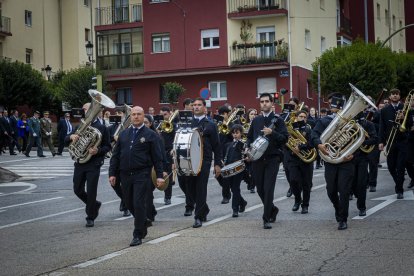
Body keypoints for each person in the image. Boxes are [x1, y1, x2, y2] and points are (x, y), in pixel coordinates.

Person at [109, 106, 165, 246]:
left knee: (138, 203)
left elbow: (157, 158)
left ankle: (137, 234)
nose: (135, 117)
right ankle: (143, 222)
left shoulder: (151, 135)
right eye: (133, 114)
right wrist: (112, 173)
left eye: (139, 114)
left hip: (142, 174)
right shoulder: (123, 134)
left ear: (143, 116)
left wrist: (159, 175)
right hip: (125, 174)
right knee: (128, 202)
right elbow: (115, 156)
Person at [311, 93, 354, 230]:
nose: (335, 107)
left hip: (346, 161)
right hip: (331, 160)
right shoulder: (324, 121)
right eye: (333, 105)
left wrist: (351, 153)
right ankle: (338, 208)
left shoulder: (351, 120)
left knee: (344, 190)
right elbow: (314, 135)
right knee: (331, 190)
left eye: (337, 105)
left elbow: (357, 139)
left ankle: (343, 219)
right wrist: (319, 145)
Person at [246, 93, 289, 229]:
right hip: (257, 159)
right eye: (262, 101)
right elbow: (249, 137)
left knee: (268, 188)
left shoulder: (278, 120)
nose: (264, 104)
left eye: (267, 101)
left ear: (272, 104)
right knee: (260, 189)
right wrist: (247, 147)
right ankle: (272, 209)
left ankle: (266, 219)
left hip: (272, 158)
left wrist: (272, 133)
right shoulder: (256, 120)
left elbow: (285, 138)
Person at [66, 103, 111, 227]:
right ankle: (94, 204)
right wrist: (71, 137)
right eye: (85, 109)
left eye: (87, 109)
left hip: (93, 163)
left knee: (91, 191)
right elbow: (65, 140)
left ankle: (90, 216)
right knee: (77, 190)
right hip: (80, 162)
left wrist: (98, 151)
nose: (85, 111)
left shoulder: (102, 127)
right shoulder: (80, 125)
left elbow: (108, 146)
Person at [184, 97, 222, 228]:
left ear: (204, 107)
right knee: (190, 189)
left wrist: (217, 164)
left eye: (199, 105)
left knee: (201, 188)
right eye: (194, 105)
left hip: (204, 161)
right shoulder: (187, 123)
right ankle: (204, 209)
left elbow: (217, 146)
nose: (196, 107)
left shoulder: (210, 124)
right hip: (188, 161)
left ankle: (198, 216)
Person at [378, 89, 412, 198]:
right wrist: (381, 142)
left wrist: (403, 119)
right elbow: (382, 127)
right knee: (391, 166)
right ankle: (399, 181)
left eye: (397, 94)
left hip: (403, 141)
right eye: (393, 94)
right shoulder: (384, 110)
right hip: (390, 141)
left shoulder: (406, 108)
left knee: (401, 166)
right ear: (390, 96)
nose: (395, 96)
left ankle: (399, 190)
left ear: (399, 96)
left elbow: (410, 124)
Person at [286, 110, 314, 214]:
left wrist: (300, 146)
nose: (302, 118)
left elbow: (312, 143)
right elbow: (286, 142)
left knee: (307, 184)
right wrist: (293, 148)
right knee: (293, 180)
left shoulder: (309, 129)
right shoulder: (291, 129)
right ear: (296, 117)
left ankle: (305, 205)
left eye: (304, 117)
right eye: (300, 116)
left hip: (306, 159)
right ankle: (298, 199)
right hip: (293, 159)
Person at [351, 112, 377, 216]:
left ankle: (362, 207)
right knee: (351, 183)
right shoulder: (347, 124)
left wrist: (362, 142)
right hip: (349, 157)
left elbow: (374, 139)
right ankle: (356, 194)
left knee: (361, 183)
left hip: (362, 157)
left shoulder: (368, 124)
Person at [107, 107, 130, 217]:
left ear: (124, 115)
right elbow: (106, 141)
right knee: (114, 184)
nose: (117, 114)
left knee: (125, 184)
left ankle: (126, 206)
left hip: (126, 159)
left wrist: (120, 138)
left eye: (120, 113)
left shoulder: (128, 127)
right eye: (116, 113)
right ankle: (125, 199)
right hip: (115, 158)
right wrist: (113, 137)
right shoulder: (111, 128)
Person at [223, 124, 247, 218]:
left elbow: (245, 156)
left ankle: (235, 209)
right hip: (230, 169)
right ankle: (243, 202)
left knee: (236, 188)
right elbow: (226, 157)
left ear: (241, 133)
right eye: (233, 133)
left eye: (237, 133)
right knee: (232, 189)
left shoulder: (243, 144)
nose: (235, 135)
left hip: (239, 169)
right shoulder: (229, 145)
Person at [177, 98, 196, 216]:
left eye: (195, 105)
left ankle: (189, 206)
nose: (193, 107)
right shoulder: (177, 120)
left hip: (191, 154)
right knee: (181, 182)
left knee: (189, 180)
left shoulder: (195, 120)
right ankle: (193, 198)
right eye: (192, 105)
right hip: (179, 153)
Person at [159, 106, 176, 205]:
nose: (163, 116)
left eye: (165, 114)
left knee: (167, 175)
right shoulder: (159, 125)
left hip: (169, 152)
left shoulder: (172, 125)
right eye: (162, 115)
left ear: (169, 113)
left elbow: (175, 139)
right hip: (159, 152)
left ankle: (167, 196)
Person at [216, 105, 232, 204]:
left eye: (223, 114)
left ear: (226, 114)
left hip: (229, 151)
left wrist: (227, 126)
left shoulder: (232, 123)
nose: (221, 116)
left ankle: (226, 196)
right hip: (219, 151)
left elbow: (234, 136)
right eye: (220, 114)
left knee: (225, 175)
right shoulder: (217, 124)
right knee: (218, 175)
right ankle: (227, 188)